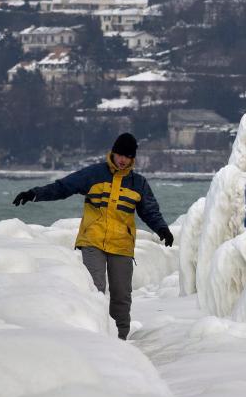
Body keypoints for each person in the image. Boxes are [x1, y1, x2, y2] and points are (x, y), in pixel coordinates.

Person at [13, 133, 173, 340]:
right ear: (113, 153)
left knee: (121, 296)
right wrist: (33, 194)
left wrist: (162, 229)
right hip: (93, 241)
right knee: (95, 289)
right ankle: (94, 338)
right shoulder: (95, 174)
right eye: (119, 154)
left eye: (127, 156)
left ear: (133, 158)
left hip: (121, 246)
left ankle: (119, 340)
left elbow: (150, 211)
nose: (122, 159)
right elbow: (64, 187)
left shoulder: (138, 183)